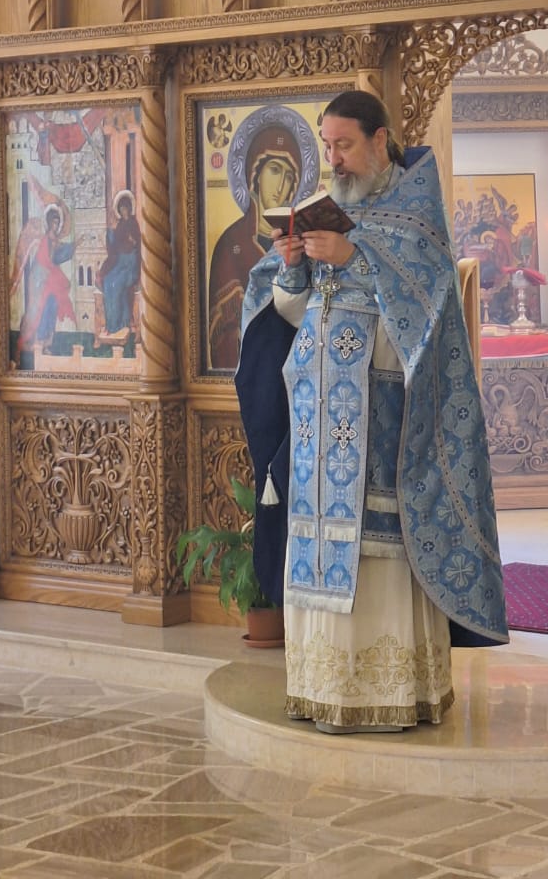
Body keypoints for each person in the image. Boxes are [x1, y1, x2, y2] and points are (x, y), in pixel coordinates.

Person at [235, 91, 508, 734]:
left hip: (382, 415)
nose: (334, 159)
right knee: (317, 538)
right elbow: (291, 313)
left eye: (345, 145)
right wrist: (293, 268)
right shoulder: (329, 211)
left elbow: (429, 309)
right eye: (327, 146)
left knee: (375, 547)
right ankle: (320, 686)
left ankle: (391, 690)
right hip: (317, 412)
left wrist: (355, 257)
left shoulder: (413, 217)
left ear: (381, 140)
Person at [208, 125, 301, 369]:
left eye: (288, 177)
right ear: (254, 175)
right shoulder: (230, 243)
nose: (281, 186)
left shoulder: (302, 241)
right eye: (274, 170)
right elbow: (221, 331)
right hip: (254, 368)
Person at [11, 200, 77, 358]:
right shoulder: (45, 240)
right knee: (37, 310)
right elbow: (46, 260)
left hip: (50, 283)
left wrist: (73, 245)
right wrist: (57, 250)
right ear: (48, 223)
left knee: (51, 308)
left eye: (57, 223)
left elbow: (59, 255)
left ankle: (47, 342)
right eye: (53, 222)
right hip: (40, 283)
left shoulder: (55, 241)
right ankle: (33, 342)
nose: (56, 225)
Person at [96, 191, 141, 336]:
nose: (123, 211)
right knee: (108, 281)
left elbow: (138, 245)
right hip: (120, 262)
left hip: (131, 264)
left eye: (125, 208)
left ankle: (118, 324)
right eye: (121, 209)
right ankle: (111, 324)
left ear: (129, 208)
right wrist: (110, 233)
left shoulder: (133, 223)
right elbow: (114, 247)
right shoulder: (120, 224)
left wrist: (133, 241)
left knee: (116, 284)